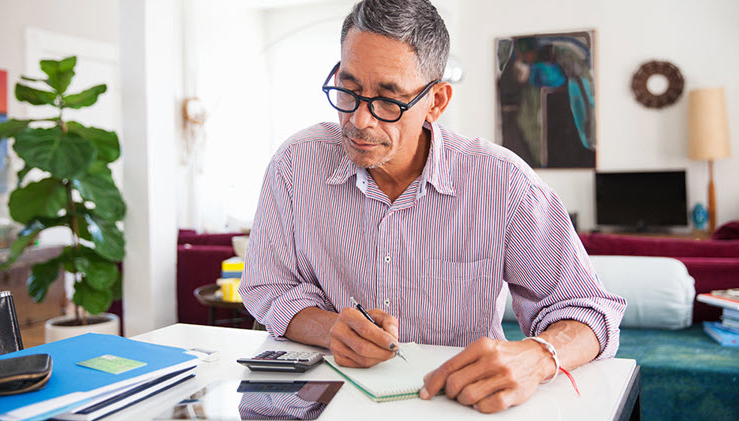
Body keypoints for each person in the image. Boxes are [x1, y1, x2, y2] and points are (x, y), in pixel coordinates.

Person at [239, 0, 625, 414]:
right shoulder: (294, 166)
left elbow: (589, 309)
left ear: (437, 101)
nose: (360, 121)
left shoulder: (504, 183)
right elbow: (267, 286)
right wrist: (330, 328)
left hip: (454, 406)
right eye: (348, 90)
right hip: (325, 403)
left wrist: (535, 356)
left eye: (389, 100)